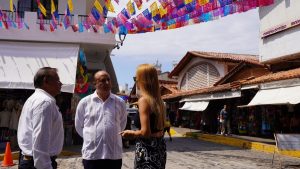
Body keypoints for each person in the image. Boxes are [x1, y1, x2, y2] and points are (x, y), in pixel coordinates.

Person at [75, 70, 127, 169]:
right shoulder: (84, 102)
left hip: (113, 155)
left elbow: (122, 124)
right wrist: (91, 137)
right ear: (94, 84)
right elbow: (79, 126)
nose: (107, 83)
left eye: (108, 80)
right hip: (92, 154)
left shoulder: (120, 102)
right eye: (102, 80)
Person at [120, 64, 166, 169]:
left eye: (136, 78)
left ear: (143, 80)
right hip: (159, 148)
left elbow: (146, 132)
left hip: (147, 150)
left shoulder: (144, 100)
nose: (136, 81)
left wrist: (131, 133)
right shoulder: (159, 101)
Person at [17, 67, 64, 169]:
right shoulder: (44, 102)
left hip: (31, 161)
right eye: (57, 80)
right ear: (46, 81)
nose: (61, 83)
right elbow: (40, 141)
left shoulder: (36, 99)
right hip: (37, 163)